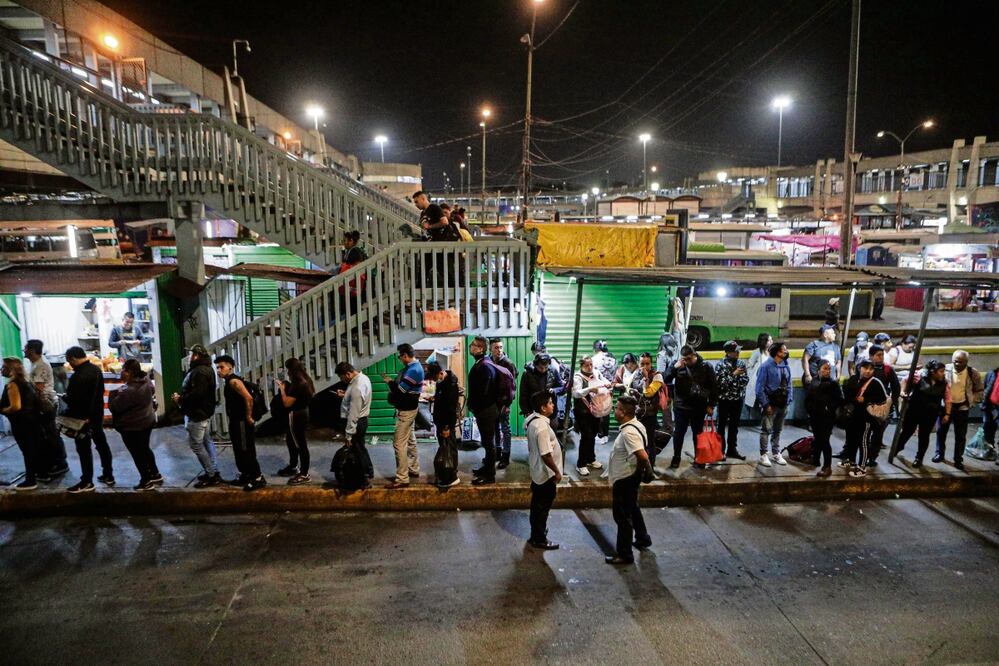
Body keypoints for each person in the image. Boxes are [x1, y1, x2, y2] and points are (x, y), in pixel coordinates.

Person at [605, 394, 653, 565]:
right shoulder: (636, 425)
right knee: (632, 507)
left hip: (626, 478)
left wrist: (635, 473)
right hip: (629, 477)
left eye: (617, 408)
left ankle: (625, 554)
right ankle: (642, 537)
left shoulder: (629, 432)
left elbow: (642, 455)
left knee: (622, 517)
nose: (614, 411)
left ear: (624, 412)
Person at [64, 346, 114, 493]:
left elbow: (76, 400)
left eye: (69, 361)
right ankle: (108, 474)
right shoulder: (96, 370)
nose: (70, 365)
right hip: (97, 415)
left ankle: (86, 481)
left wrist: (65, 398)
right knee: (101, 444)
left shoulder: (78, 376)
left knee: (84, 449)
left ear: (73, 358)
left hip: (82, 418)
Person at [172, 344, 223, 488]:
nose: (189, 357)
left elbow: (198, 394)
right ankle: (214, 471)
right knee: (207, 442)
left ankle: (211, 475)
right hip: (203, 412)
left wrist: (180, 399)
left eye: (191, 355)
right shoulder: (205, 369)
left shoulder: (199, 371)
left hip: (198, 414)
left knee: (196, 445)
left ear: (196, 356)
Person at [108, 359, 161, 491]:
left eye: (123, 370)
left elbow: (114, 406)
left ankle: (146, 480)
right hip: (147, 422)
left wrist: (113, 394)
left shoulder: (129, 390)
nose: (121, 372)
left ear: (130, 372)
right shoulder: (146, 381)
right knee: (145, 449)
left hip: (133, 426)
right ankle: (155, 474)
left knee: (137, 453)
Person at [215, 354, 266, 491]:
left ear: (230, 367)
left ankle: (258, 478)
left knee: (246, 450)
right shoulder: (229, 381)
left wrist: (249, 417)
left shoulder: (234, 382)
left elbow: (248, 398)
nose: (219, 370)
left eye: (222, 367)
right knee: (239, 449)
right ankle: (246, 474)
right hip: (236, 421)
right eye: (217, 368)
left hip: (242, 422)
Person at [662, 345, 716, 470]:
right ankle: (676, 457)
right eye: (684, 359)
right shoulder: (678, 365)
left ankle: (699, 458)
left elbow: (713, 387)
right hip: (681, 407)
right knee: (679, 434)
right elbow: (665, 378)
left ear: (695, 355)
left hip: (699, 406)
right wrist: (674, 368)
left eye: (689, 359)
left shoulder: (706, 367)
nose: (686, 361)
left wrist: (711, 405)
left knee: (698, 434)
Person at [23, 339, 68, 479]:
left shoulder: (40, 365)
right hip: (44, 403)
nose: (24, 350)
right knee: (49, 433)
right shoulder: (35, 363)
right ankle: (56, 462)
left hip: (45, 404)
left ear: (31, 350)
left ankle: (60, 463)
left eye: (25, 348)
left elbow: (39, 388)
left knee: (50, 434)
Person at [935, 350, 985, 470]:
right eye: (955, 361)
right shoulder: (945, 369)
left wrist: (972, 401)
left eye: (960, 362)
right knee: (941, 432)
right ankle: (939, 454)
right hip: (945, 407)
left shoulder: (973, 373)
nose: (957, 364)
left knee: (960, 435)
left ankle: (958, 459)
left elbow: (979, 390)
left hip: (962, 407)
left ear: (966, 362)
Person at [895, 360, 950, 467]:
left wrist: (947, 414)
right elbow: (905, 380)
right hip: (914, 410)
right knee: (907, 431)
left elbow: (948, 399)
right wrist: (902, 392)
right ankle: (897, 448)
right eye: (941, 371)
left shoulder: (944, 383)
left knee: (924, 436)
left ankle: (919, 458)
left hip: (930, 413)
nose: (943, 373)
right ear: (933, 372)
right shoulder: (920, 376)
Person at [525, 391, 562, 550]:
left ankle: (536, 533)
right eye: (550, 403)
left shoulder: (532, 420)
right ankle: (539, 538)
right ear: (543, 407)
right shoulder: (542, 428)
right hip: (545, 473)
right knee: (542, 507)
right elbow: (546, 454)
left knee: (537, 505)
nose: (553, 405)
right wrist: (557, 471)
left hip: (537, 471)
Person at [384, 343, 424, 488]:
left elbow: (400, 390)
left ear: (405, 355)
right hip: (410, 409)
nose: (400, 359)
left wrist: (389, 382)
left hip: (406, 411)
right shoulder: (413, 367)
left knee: (399, 443)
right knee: (411, 440)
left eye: (400, 356)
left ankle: (402, 478)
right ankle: (414, 469)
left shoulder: (413, 370)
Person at [841, 360, 888, 478]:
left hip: (866, 418)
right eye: (865, 368)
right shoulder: (854, 379)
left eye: (871, 369)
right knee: (852, 439)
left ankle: (862, 467)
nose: (867, 371)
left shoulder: (875, 382)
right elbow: (848, 396)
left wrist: (866, 399)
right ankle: (851, 460)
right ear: (859, 368)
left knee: (864, 442)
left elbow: (882, 399)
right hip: (854, 416)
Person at [1, 357, 40, 490]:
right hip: (31, 421)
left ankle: (30, 481)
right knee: (31, 450)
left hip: (21, 423)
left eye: (3, 367)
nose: (1, 369)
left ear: (10, 369)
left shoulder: (13, 385)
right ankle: (35, 476)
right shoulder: (26, 382)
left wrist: (2, 409)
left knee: (27, 451)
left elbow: (15, 406)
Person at [275, 358, 315, 485]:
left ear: (292, 371)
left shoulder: (298, 383)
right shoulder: (306, 379)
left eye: (288, 370)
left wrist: (282, 389)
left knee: (300, 444)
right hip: (303, 412)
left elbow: (287, 403)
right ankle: (293, 466)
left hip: (296, 415)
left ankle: (304, 474)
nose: (287, 373)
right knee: (291, 440)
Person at [467, 336, 499, 485]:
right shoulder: (482, 363)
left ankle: (490, 475)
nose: (470, 347)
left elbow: (484, 392)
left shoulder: (485, 365)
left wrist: (475, 407)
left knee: (488, 443)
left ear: (480, 349)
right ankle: (486, 468)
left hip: (486, 411)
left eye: (473, 345)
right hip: (485, 410)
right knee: (487, 443)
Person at [755, 341, 792, 468]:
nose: (786, 352)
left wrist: (789, 399)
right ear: (777, 352)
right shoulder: (765, 367)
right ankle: (763, 454)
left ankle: (776, 452)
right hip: (771, 404)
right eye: (784, 350)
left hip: (783, 404)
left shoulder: (785, 366)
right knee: (766, 430)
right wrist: (766, 405)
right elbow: (759, 388)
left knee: (778, 429)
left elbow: (789, 384)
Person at [626, 353, 666, 465]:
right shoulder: (635, 374)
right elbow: (629, 388)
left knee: (649, 442)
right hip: (637, 414)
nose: (644, 366)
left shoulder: (657, 376)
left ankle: (650, 467)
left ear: (651, 363)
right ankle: (639, 466)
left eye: (647, 363)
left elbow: (648, 393)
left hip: (649, 415)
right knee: (637, 441)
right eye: (642, 363)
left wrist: (646, 378)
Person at [804, 360, 843, 477]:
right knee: (817, 439)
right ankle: (815, 459)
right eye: (825, 368)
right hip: (814, 416)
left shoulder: (833, 384)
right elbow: (809, 397)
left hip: (826, 418)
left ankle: (827, 466)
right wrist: (809, 410)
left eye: (829, 369)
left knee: (824, 441)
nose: (828, 371)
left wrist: (828, 408)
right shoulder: (815, 381)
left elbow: (839, 400)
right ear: (819, 369)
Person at [336, 362, 373, 483]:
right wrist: (346, 396)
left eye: (341, 377)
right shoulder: (363, 378)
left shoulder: (357, 387)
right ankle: (368, 471)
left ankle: (363, 479)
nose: (342, 380)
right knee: (361, 447)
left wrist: (348, 434)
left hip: (357, 422)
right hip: (362, 420)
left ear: (348, 374)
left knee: (357, 450)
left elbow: (353, 413)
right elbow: (356, 400)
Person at [572, 356, 607, 477]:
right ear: (581, 366)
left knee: (593, 434)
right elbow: (576, 393)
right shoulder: (578, 377)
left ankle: (591, 459)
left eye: (591, 364)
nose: (590, 367)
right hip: (582, 412)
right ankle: (581, 464)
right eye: (587, 365)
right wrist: (590, 389)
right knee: (586, 436)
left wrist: (607, 385)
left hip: (596, 410)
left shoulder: (596, 373)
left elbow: (605, 381)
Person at [427, 361, 461, 487]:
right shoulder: (442, 383)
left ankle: (452, 476)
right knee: (445, 447)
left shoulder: (450, 385)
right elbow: (443, 401)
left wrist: (446, 427)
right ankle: (447, 473)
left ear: (441, 373)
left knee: (450, 449)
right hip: (441, 422)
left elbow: (450, 407)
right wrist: (434, 398)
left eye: (435, 377)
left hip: (446, 424)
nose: (434, 380)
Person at [866, 344, 900, 466]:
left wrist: (890, 404)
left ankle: (872, 457)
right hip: (866, 406)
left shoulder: (887, 369)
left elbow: (896, 388)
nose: (881, 358)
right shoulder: (866, 367)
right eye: (878, 355)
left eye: (882, 355)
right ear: (871, 356)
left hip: (881, 407)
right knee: (864, 433)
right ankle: (862, 455)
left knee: (877, 434)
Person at [715, 341, 749, 460]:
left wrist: (733, 380)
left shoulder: (741, 363)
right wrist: (734, 375)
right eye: (735, 351)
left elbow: (745, 380)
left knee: (734, 426)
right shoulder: (720, 365)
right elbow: (720, 384)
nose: (738, 353)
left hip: (737, 399)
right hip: (724, 400)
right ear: (728, 352)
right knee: (721, 426)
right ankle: (720, 450)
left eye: (738, 350)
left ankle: (732, 449)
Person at [489, 338, 518, 469]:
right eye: (496, 347)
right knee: (495, 428)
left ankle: (505, 456)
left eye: (501, 347)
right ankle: (497, 452)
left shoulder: (508, 363)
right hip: (492, 402)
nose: (499, 350)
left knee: (505, 428)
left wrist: (507, 404)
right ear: (490, 348)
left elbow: (512, 386)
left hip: (504, 402)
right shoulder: (488, 361)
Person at [520, 353, 560, 430]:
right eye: (541, 368)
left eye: (546, 367)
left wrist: (555, 390)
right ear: (535, 365)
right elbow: (523, 394)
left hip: (551, 412)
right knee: (535, 436)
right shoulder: (527, 374)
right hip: (533, 412)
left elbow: (562, 387)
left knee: (551, 437)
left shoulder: (553, 371)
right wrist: (526, 411)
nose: (543, 370)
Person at [591, 340, 617, 441]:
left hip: (599, 389)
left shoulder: (593, 359)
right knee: (606, 411)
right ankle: (605, 434)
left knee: (598, 411)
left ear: (595, 348)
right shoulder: (613, 358)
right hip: (610, 388)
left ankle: (600, 435)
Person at [744, 333, 772, 414]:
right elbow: (749, 366)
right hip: (758, 381)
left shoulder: (772, 353)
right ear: (764, 342)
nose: (771, 342)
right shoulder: (757, 352)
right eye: (769, 340)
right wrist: (752, 376)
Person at [982, 363, 999, 458]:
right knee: (988, 430)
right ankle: (990, 450)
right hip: (991, 407)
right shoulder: (992, 373)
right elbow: (986, 389)